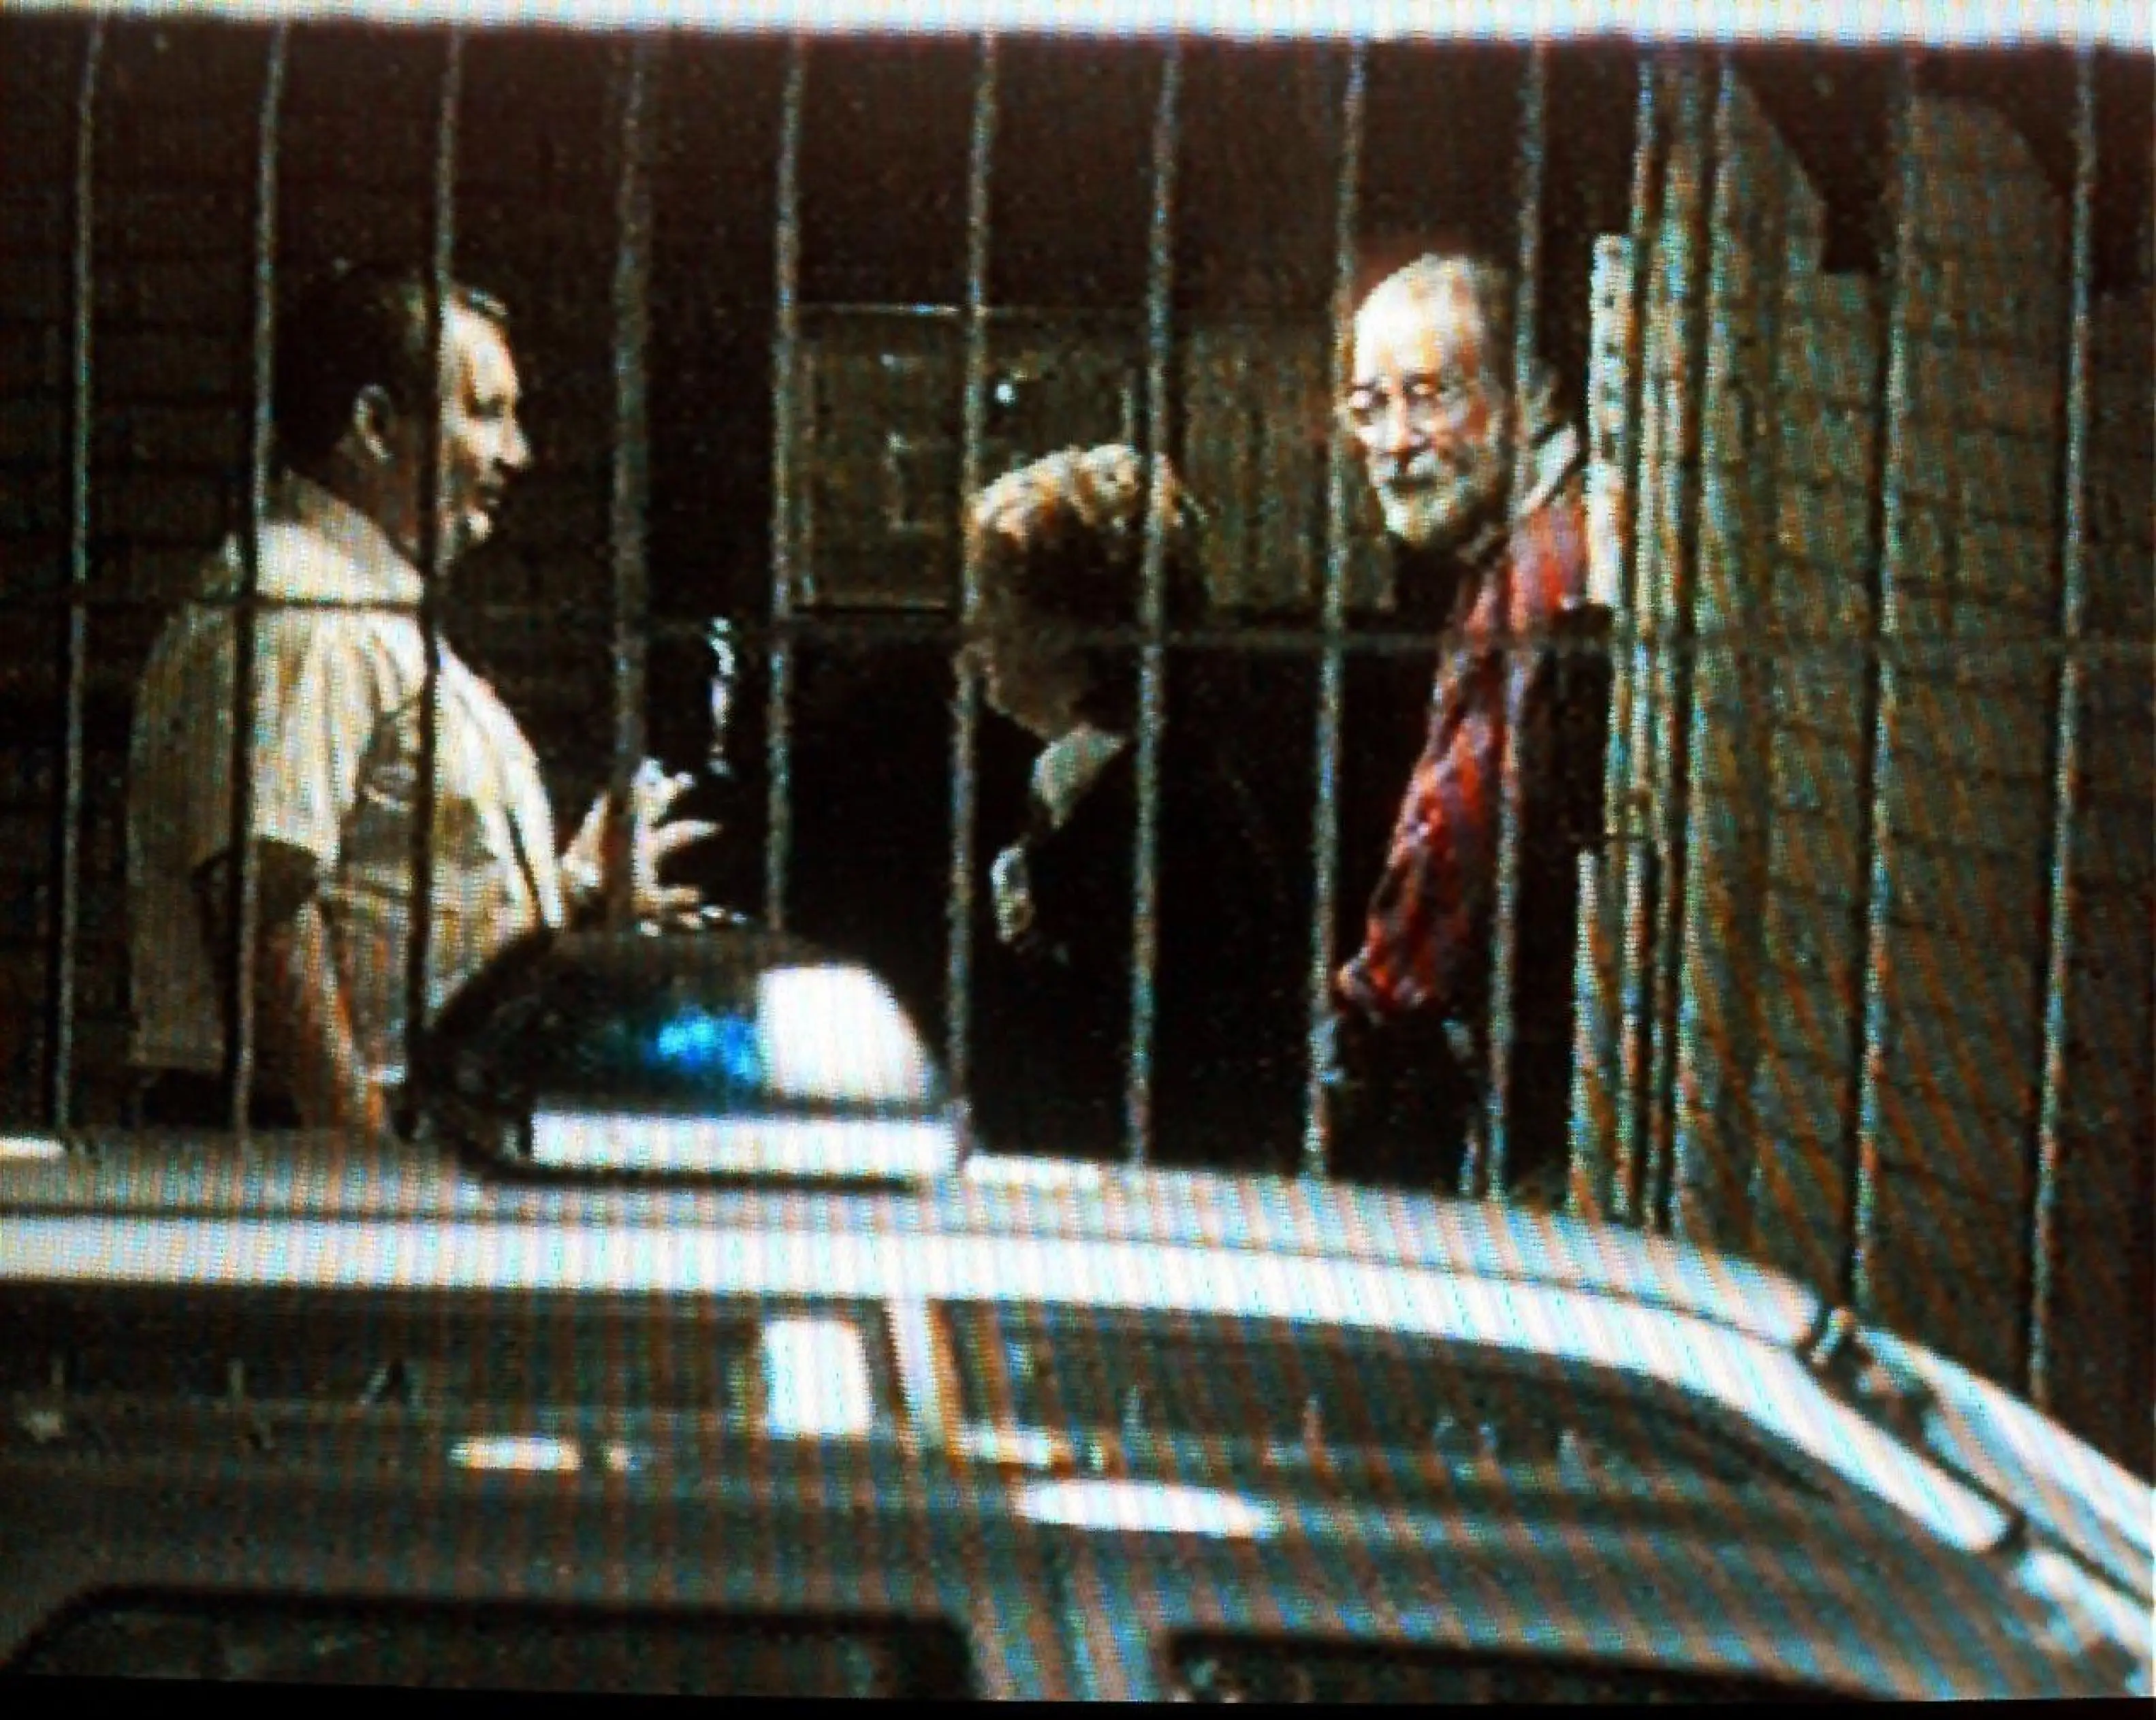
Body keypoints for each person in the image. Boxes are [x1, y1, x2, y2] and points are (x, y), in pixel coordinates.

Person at [126, 262, 712, 1141]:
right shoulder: (307, 608)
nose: (518, 454)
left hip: (358, 1120)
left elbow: (389, 895)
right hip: (305, 1136)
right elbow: (263, 903)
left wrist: (575, 885)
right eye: (486, 413)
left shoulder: (361, 609)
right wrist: (362, 1158)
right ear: (373, 425)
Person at [1324, 253, 1599, 1206]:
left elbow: (1461, 834)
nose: (1393, 442)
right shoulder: (1538, 545)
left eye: (1428, 396)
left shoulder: (1539, 576)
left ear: (1536, 393)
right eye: (1369, 406)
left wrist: (1366, 1003)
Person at [962, 445, 1303, 1171]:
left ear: (1065, 623)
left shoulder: (1162, 820)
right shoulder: (1110, 789)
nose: (974, 634)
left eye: (994, 600)